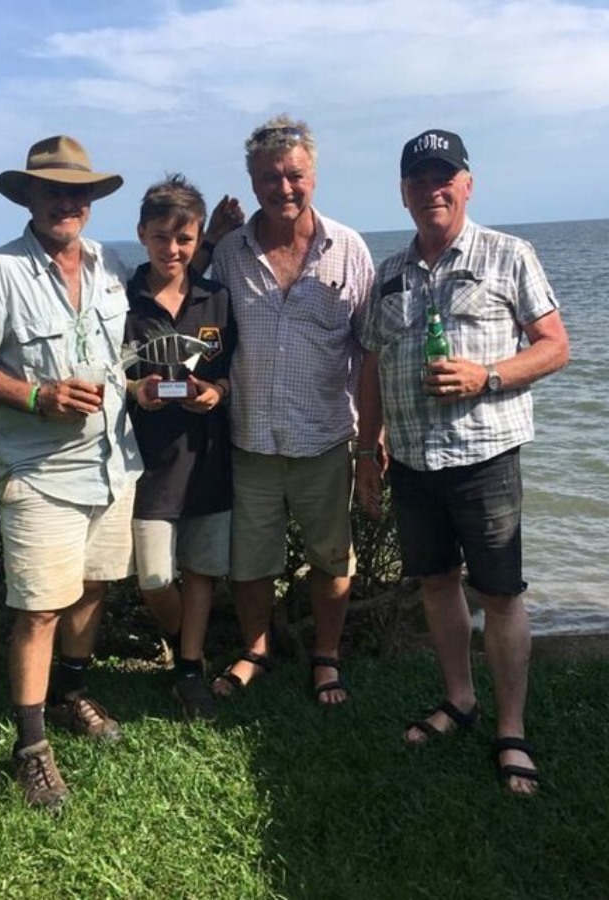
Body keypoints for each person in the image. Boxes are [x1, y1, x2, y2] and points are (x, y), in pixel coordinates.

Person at [355, 128, 570, 793]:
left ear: (467, 185)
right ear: (403, 194)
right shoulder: (388, 274)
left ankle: (511, 729)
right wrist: (368, 446)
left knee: (500, 594)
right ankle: (459, 699)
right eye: (418, 180)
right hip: (414, 464)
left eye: (444, 177)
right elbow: (370, 363)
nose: (432, 190)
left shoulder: (509, 255)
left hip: (485, 458)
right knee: (437, 584)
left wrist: (489, 377)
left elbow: (555, 345)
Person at [0, 135, 142, 809]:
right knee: (39, 609)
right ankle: (30, 748)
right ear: (28, 196)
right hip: (40, 470)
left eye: (78, 192)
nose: (67, 201)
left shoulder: (107, 262)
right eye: (54, 189)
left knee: (90, 591)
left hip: (112, 461)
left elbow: (120, 351)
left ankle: (70, 695)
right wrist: (36, 396)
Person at [209, 114, 375, 704]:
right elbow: (177, 301)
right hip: (250, 440)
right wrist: (204, 239)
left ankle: (326, 655)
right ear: (252, 182)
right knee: (250, 564)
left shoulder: (349, 250)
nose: (284, 188)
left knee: (333, 560)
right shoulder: (228, 253)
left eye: (295, 175)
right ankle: (256, 649)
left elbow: (370, 350)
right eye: (270, 178)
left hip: (325, 441)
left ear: (314, 174)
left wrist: (370, 443)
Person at [124, 174, 239, 721]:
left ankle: (188, 667)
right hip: (148, 467)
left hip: (210, 460)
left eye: (185, 239)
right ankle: (186, 640)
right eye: (162, 237)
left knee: (202, 572)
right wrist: (134, 391)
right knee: (153, 578)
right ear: (142, 234)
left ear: (198, 240)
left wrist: (216, 392)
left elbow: (237, 374)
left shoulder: (217, 299)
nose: (173, 250)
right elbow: (104, 376)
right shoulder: (121, 300)